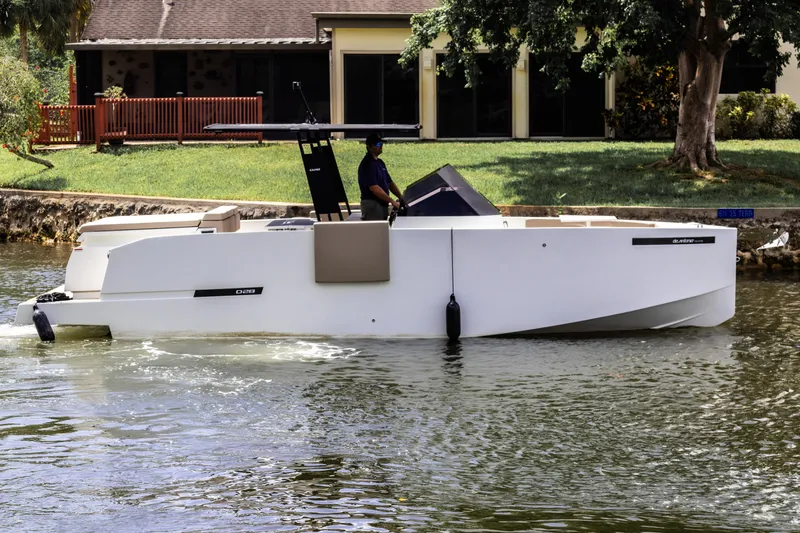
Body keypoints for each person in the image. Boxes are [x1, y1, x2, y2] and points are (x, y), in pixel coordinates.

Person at [358, 133, 405, 220]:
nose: (381, 146)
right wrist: (392, 201)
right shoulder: (367, 164)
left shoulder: (380, 163)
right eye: (378, 144)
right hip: (372, 205)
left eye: (381, 143)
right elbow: (374, 188)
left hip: (382, 204)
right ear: (370, 146)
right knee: (376, 228)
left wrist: (401, 197)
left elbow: (390, 183)